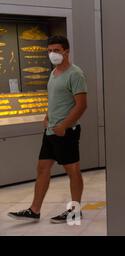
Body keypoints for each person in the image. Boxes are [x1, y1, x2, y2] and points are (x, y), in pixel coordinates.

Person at [8, 35, 88, 224]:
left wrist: (64, 126)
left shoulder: (75, 74)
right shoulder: (54, 73)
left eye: (57, 50)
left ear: (66, 51)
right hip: (51, 131)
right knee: (42, 168)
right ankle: (34, 210)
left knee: (72, 170)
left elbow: (82, 105)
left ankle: (75, 210)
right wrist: (47, 115)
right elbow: (55, 99)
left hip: (66, 132)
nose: (53, 54)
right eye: (50, 50)